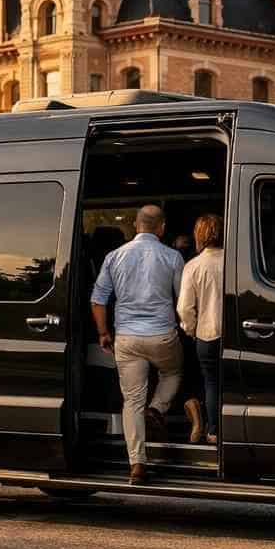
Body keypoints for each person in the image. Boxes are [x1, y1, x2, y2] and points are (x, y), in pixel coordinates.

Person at [90, 203, 185, 485]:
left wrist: (104, 332)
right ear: (162, 227)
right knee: (173, 372)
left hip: (127, 338)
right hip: (162, 335)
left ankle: (137, 464)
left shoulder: (114, 256)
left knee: (131, 401)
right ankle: (157, 409)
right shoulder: (172, 256)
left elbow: (98, 299)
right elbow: (182, 299)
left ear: (136, 225)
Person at [177, 213, 225, 446]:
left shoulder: (193, 266)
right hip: (234, 333)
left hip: (206, 334)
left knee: (211, 382)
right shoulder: (233, 261)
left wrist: (191, 330)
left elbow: (185, 308)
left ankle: (213, 430)